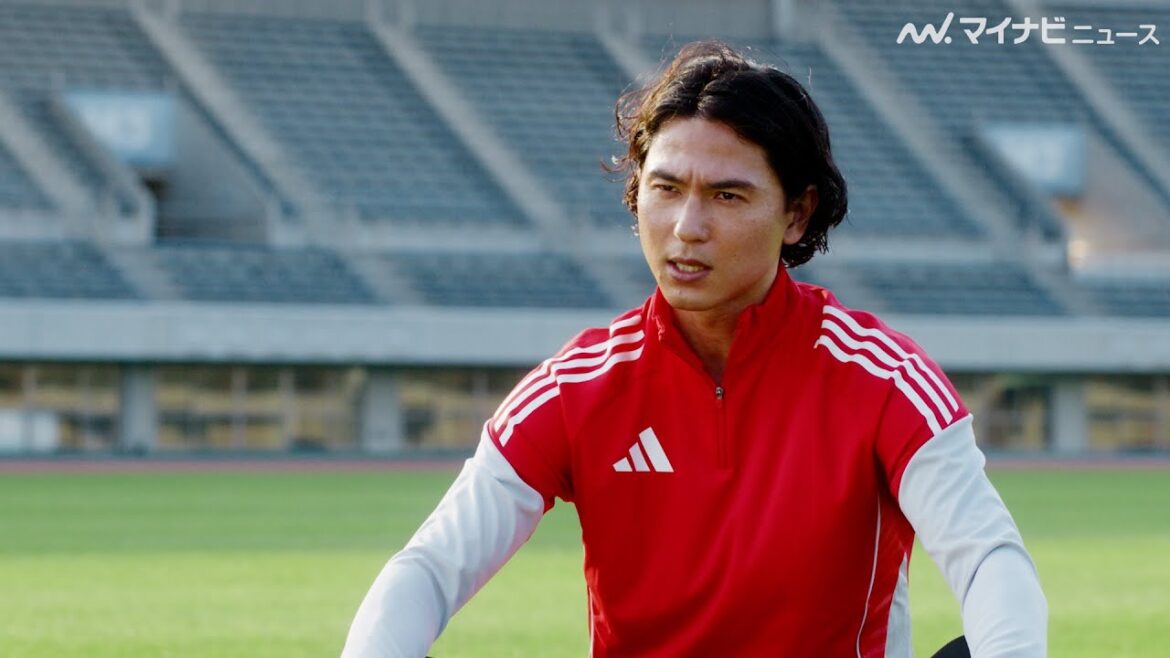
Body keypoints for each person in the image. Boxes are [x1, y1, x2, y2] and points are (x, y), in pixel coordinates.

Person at [342, 41, 1048, 657]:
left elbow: (989, 557)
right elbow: (430, 567)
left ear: (797, 213)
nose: (686, 226)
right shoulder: (575, 388)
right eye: (666, 188)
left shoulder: (884, 378)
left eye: (727, 196)